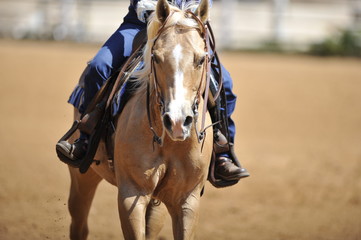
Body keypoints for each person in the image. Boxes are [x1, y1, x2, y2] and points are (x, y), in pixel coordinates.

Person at [56, 0, 249, 181]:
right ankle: (86, 138)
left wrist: (190, 14)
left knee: (226, 84)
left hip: (188, 28)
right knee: (99, 67)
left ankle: (222, 152)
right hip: (141, 25)